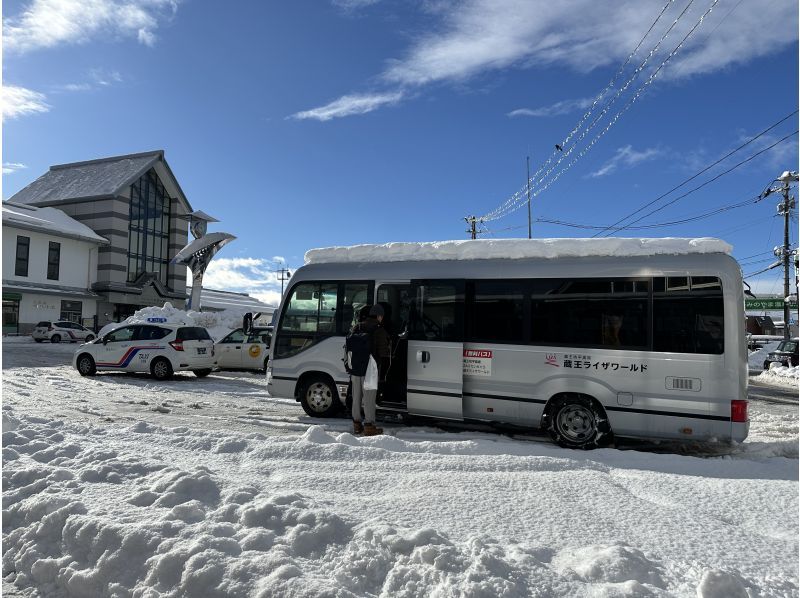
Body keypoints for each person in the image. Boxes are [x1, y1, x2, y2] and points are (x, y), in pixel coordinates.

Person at [350, 304, 390, 436]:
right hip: (370, 369)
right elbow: (383, 353)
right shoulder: (379, 330)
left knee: (356, 396)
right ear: (379, 316)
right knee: (369, 398)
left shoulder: (358, 326)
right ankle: (369, 426)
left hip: (355, 367)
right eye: (382, 316)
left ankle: (356, 425)